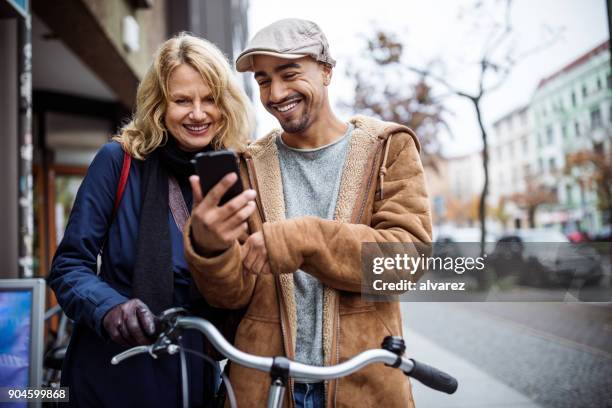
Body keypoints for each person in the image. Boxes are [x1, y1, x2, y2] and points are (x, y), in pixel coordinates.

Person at [185, 19, 432, 407]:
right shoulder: (247, 163)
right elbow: (229, 296)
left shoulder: (389, 148)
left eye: (289, 73)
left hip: (364, 386)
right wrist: (211, 248)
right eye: (264, 81)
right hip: (265, 387)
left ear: (327, 70)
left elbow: (404, 262)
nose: (276, 93)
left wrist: (300, 239)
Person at [48, 33, 255, 407]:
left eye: (209, 99)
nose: (197, 113)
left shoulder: (233, 173)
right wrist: (109, 307)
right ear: (159, 105)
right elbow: (68, 266)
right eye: (181, 100)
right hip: (112, 369)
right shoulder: (119, 160)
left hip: (192, 375)